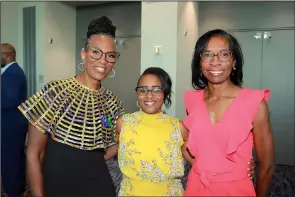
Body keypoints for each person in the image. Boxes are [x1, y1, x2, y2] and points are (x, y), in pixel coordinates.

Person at [104, 67, 256, 196]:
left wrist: (237, 167)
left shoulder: (178, 127)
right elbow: (115, 146)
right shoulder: (124, 122)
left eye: (156, 90)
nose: (149, 95)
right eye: (143, 90)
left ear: (165, 93)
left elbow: (202, 156)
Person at [17, 16, 124, 197]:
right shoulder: (55, 92)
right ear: (84, 53)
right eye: (96, 52)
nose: (103, 61)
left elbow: (111, 147)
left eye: (110, 56)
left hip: (97, 180)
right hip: (60, 181)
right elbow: (33, 154)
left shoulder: (112, 102)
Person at [183, 29, 275, 196]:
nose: (215, 62)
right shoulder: (192, 101)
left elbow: (267, 167)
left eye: (224, 54)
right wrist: (204, 167)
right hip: (196, 188)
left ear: (234, 62)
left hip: (235, 191)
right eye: (207, 55)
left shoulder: (254, 103)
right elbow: (190, 147)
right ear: (199, 62)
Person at [1, 43, 28, 197]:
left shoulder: (12, 73)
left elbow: (10, 100)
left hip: (10, 124)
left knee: (9, 159)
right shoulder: (11, 72)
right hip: (13, 123)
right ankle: (18, 188)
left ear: (6, 55)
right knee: (16, 157)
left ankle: (11, 191)